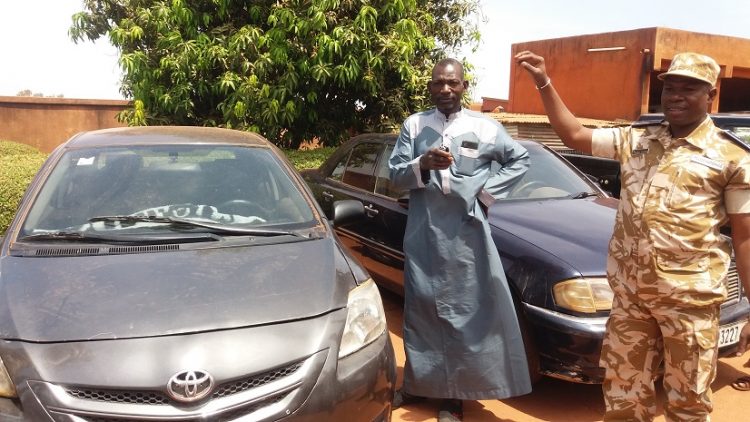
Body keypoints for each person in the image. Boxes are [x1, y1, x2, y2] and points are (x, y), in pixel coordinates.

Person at [515, 50, 750, 421]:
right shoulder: (637, 139)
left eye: (688, 88)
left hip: (689, 302)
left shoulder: (733, 157)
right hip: (631, 297)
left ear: (711, 94)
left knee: (688, 402)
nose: (675, 96)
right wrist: (544, 82)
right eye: (670, 88)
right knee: (623, 397)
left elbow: (745, 237)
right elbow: (574, 135)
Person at [388, 58, 533, 422]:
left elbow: (519, 159)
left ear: (464, 86)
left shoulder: (485, 127)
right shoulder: (414, 125)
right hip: (423, 231)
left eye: (452, 83)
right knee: (420, 311)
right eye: (438, 83)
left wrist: (485, 196)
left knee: (461, 314)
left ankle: (454, 396)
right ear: (430, 87)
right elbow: (395, 175)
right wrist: (422, 163)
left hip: (466, 235)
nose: (445, 89)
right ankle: (419, 383)